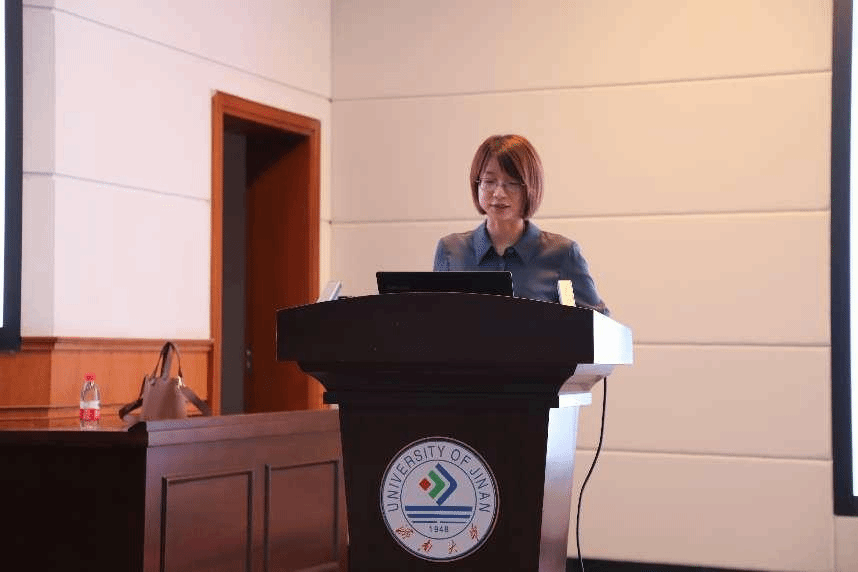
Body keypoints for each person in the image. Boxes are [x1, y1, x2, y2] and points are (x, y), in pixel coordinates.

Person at [433, 134, 609, 315]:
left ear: (531, 187)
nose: (499, 193)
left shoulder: (562, 254)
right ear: (476, 184)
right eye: (489, 182)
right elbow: (435, 320)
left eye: (512, 183)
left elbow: (599, 324)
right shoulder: (451, 250)